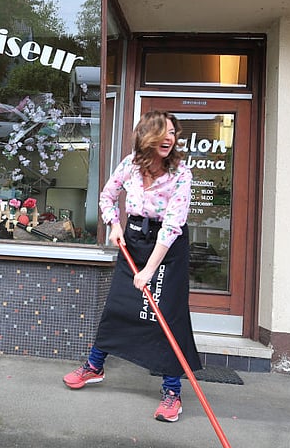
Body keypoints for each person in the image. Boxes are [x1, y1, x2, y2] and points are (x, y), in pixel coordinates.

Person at [63, 110, 201, 422]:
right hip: (133, 238)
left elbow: (172, 227)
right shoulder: (130, 165)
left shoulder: (181, 173)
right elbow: (107, 197)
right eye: (163, 132)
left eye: (173, 133)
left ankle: (172, 392)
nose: (169, 138)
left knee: (166, 314)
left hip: (168, 247)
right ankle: (94, 366)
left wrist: (150, 270)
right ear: (146, 135)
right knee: (118, 305)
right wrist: (114, 225)